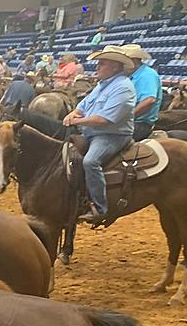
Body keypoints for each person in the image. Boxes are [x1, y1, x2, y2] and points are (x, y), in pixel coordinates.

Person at [62, 47, 136, 224]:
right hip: (92, 133)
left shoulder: (123, 88)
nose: (97, 67)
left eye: (102, 64)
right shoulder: (102, 85)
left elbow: (105, 120)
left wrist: (76, 122)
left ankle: (100, 208)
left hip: (112, 136)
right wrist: (74, 112)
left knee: (90, 162)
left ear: (115, 67)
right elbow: (84, 104)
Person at [123, 44, 161, 140]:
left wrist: (127, 117)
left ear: (133, 61)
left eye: (123, 61)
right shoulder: (130, 76)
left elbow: (149, 100)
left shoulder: (147, 75)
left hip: (140, 124)